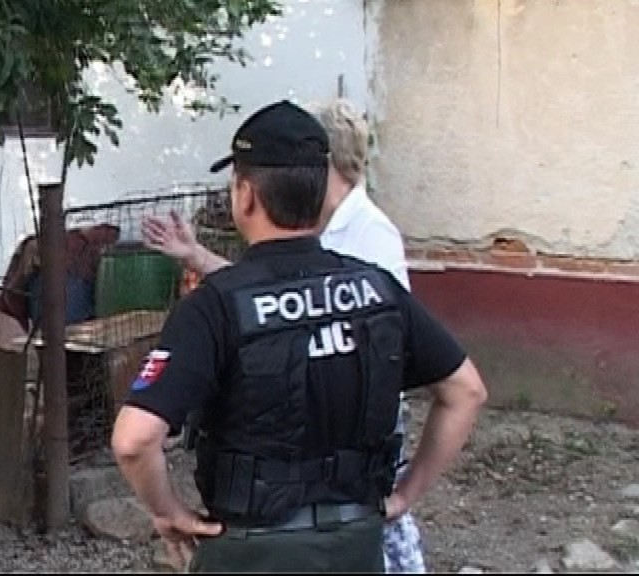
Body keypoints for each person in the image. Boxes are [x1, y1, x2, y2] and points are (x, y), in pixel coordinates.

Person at [111, 101, 487, 572]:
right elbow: (466, 391)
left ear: (246, 195)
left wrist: (168, 512)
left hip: (250, 552)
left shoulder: (216, 306)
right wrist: (405, 495)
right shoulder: (378, 289)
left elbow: (133, 440)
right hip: (356, 547)